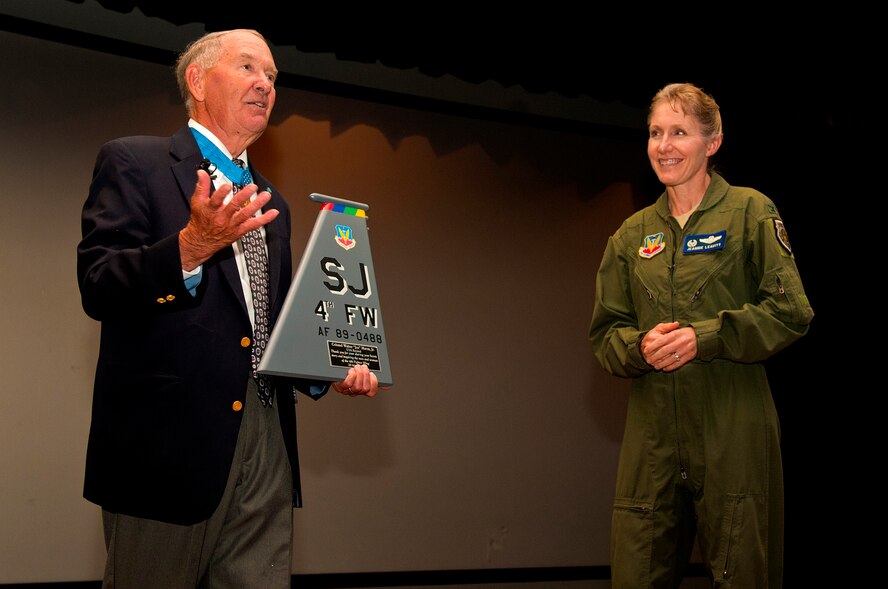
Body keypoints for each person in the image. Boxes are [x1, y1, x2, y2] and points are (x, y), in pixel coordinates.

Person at [77, 29, 381, 589]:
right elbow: (99, 286)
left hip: (268, 438)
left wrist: (331, 368)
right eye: (248, 68)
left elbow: (269, 327)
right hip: (167, 445)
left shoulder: (276, 205)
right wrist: (190, 246)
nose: (265, 84)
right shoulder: (135, 163)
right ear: (197, 80)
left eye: (272, 76)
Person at [588, 82, 813, 589]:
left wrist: (705, 337)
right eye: (655, 133)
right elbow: (605, 335)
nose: (663, 146)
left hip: (732, 429)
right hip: (652, 442)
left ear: (712, 143)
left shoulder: (751, 212)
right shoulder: (629, 236)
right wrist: (638, 347)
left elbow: (791, 310)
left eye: (679, 132)